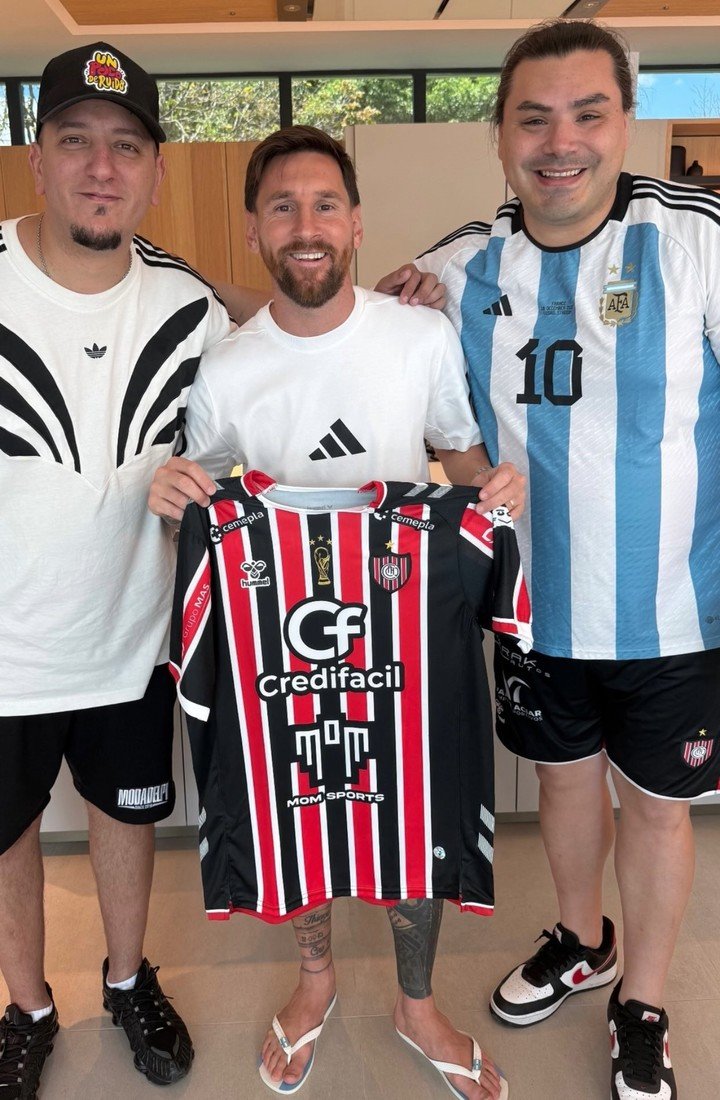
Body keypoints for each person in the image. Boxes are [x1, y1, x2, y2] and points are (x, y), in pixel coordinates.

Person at [149, 124, 527, 1100]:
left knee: (414, 820)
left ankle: (413, 998)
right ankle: (315, 979)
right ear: (254, 230)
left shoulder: (421, 336)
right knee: (298, 812)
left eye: (324, 204)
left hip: (404, 637)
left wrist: (495, 493)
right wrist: (178, 496)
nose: (305, 224)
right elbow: (213, 515)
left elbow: (461, 457)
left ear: (356, 222)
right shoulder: (226, 369)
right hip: (285, 654)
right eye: (283, 206)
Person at [415, 18, 720, 1100]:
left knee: (657, 804)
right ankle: (579, 935)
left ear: (624, 122)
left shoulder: (698, 240)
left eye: (588, 114)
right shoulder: (456, 269)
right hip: (536, 606)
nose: (561, 141)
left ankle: (641, 998)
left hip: (672, 609)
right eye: (533, 118)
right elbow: (386, 372)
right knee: (564, 783)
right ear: (500, 136)